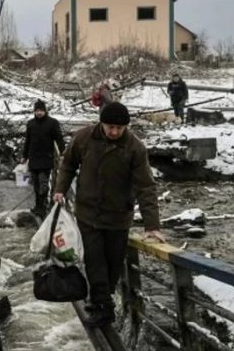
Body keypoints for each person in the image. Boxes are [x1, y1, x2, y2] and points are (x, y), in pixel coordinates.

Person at [52, 102, 165, 327]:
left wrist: (152, 225)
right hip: (88, 213)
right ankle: (105, 310)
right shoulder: (84, 138)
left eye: (119, 128)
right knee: (95, 261)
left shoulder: (135, 148)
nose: (114, 132)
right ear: (102, 123)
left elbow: (145, 186)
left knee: (113, 265)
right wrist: (60, 190)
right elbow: (68, 164)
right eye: (110, 127)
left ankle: (99, 300)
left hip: (118, 216)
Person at [20, 100, 66, 219]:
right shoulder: (30, 124)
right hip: (33, 158)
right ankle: (37, 206)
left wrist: (62, 153)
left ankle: (43, 206)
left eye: (41, 110)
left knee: (43, 183)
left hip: (46, 158)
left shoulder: (52, 123)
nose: (39, 113)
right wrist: (24, 156)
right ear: (34, 112)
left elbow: (59, 139)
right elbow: (27, 141)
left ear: (45, 111)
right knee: (35, 184)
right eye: (37, 111)